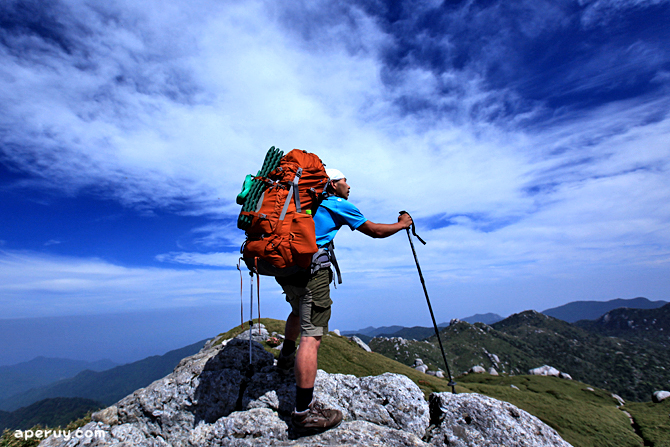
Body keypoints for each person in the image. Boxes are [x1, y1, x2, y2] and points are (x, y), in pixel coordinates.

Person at [275, 168, 413, 436]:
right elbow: (374, 231)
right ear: (332, 184)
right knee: (311, 336)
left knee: (296, 309)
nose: (349, 185)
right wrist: (403, 225)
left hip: (286, 270)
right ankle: (303, 413)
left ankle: (284, 358)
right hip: (312, 273)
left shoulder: (298, 204)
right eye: (344, 181)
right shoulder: (335, 203)